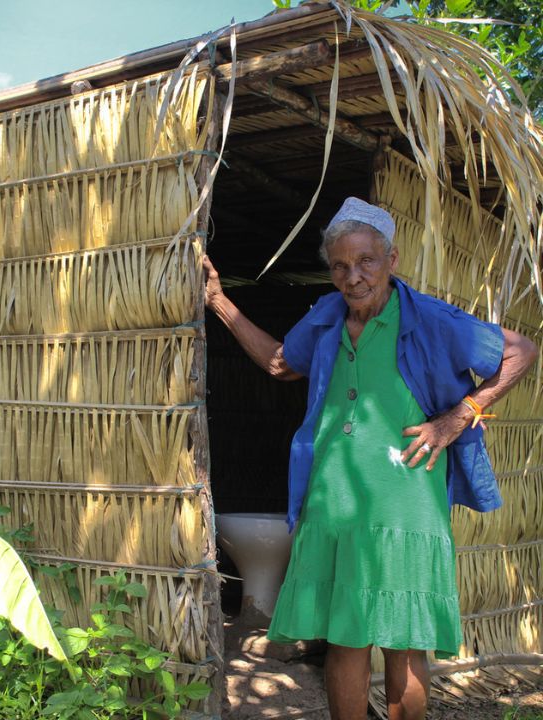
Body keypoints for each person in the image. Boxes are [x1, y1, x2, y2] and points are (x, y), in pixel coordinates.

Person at [203, 197, 538, 720]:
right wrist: (220, 301)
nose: (352, 277)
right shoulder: (327, 317)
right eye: (339, 265)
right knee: (345, 639)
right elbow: (277, 363)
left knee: (403, 643)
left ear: (392, 260)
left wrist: (457, 418)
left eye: (366, 262)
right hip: (335, 503)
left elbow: (521, 351)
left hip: (406, 504)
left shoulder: (431, 319)